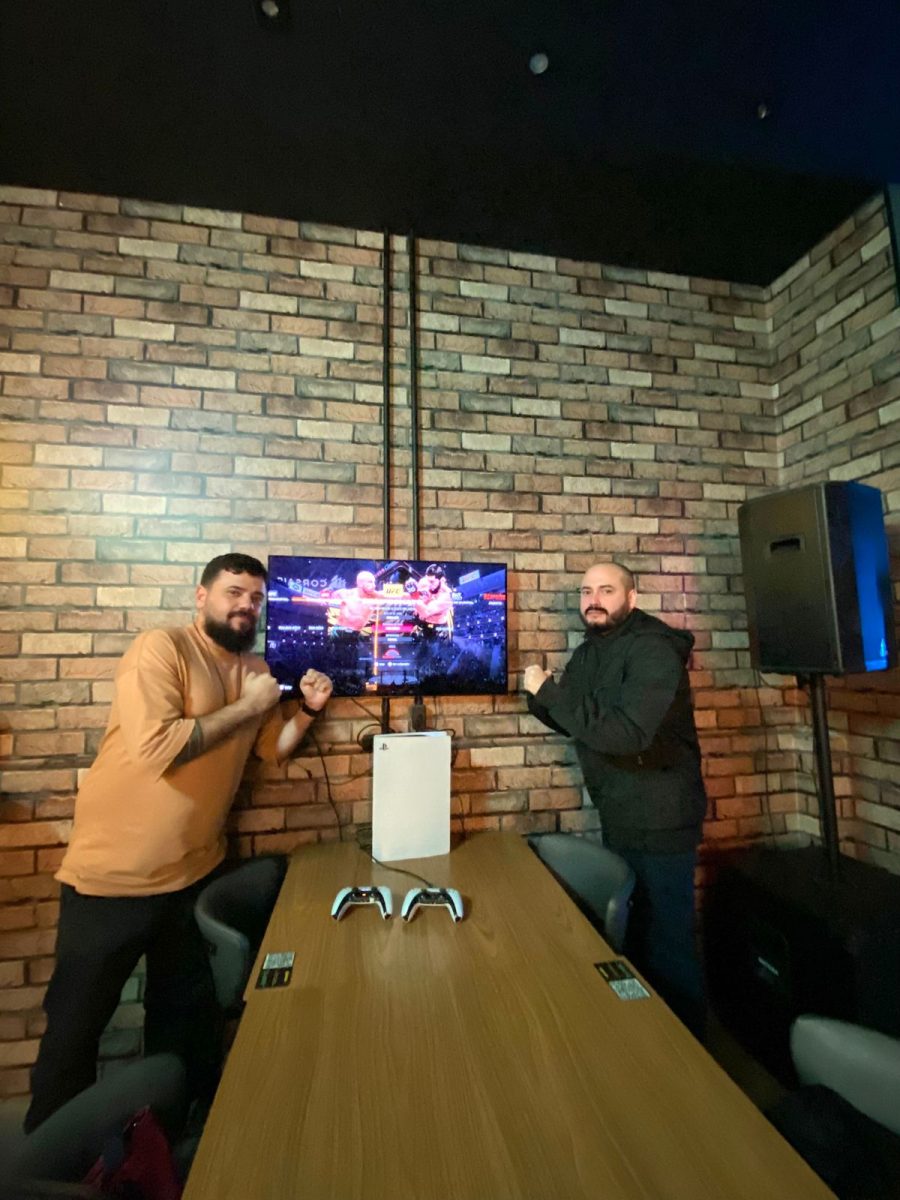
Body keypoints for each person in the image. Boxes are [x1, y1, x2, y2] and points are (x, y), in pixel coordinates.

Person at [25, 553, 333, 1132]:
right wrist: (251, 705)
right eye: (234, 593)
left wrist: (308, 712)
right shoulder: (161, 649)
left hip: (195, 876)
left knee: (183, 1028)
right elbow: (157, 748)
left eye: (255, 598)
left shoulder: (255, 669)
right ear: (201, 596)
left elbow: (273, 749)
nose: (246, 606)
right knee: (73, 1034)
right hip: (111, 880)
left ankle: (169, 1150)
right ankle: (48, 1164)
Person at [523, 561, 707, 1039]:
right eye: (586, 591)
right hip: (622, 809)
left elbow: (627, 734)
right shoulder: (592, 651)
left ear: (632, 598)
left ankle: (691, 1058)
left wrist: (550, 692)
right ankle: (646, 1043)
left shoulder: (652, 650)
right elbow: (580, 720)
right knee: (635, 939)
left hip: (662, 816)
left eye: (606, 590)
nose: (593, 600)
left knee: (667, 946)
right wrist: (540, 697)